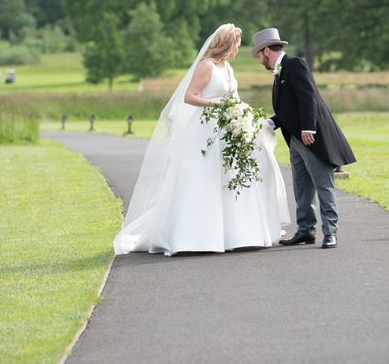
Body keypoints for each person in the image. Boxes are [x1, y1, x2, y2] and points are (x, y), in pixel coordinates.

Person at [114, 24, 290, 256]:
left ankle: (235, 234)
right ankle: (194, 235)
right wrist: (216, 104)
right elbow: (189, 96)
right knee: (202, 178)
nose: (238, 49)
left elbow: (233, 97)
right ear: (227, 44)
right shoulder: (206, 66)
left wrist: (242, 114)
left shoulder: (228, 67)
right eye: (236, 44)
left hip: (228, 128)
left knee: (231, 178)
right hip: (206, 128)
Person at [252, 28, 356, 249]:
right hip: (296, 140)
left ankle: (331, 233)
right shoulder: (280, 71)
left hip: (311, 138)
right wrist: (271, 122)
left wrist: (309, 128)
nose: (259, 61)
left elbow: (308, 97)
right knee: (301, 188)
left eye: (259, 56)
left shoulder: (294, 64)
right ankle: (306, 230)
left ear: (267, 50)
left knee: (323, 186)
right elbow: (289, 107)